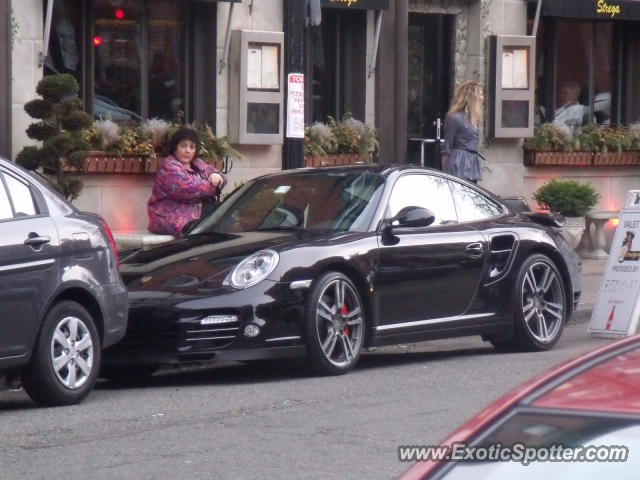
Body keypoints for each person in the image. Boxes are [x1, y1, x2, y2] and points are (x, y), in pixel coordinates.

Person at [147, 128, 226, 236]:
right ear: (175, 147)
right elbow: (188, 189)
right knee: (208, 227)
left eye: (192, 147)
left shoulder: (197, 163)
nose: (188, 150)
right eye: (183, 146)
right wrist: (213, 185)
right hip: (171, 217)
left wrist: (215, 174)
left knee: (227, 218)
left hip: (196, 212)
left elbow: (222, 179)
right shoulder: (169, 166)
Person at [441, 80, 484, 183]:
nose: (482, 98)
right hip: (458, 163)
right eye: (480, 94)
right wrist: (444, 172)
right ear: (472, 97)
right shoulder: (456, 118)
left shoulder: (474, 119)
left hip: (472, 163)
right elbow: (446, 146)